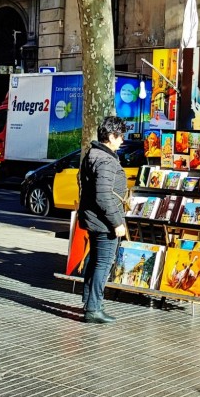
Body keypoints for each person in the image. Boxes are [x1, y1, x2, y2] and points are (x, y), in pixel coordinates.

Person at [77, 116, 129, 324]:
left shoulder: (93, 154)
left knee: (95, 262)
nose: (122, 140)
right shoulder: (106, 160)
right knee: (103, 263)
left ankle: (90, 303)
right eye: (119, 136)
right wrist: (117, 222)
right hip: (104, 221)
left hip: (93, 218)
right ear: (110, 136)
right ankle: (94, 308)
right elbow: (103, 195)